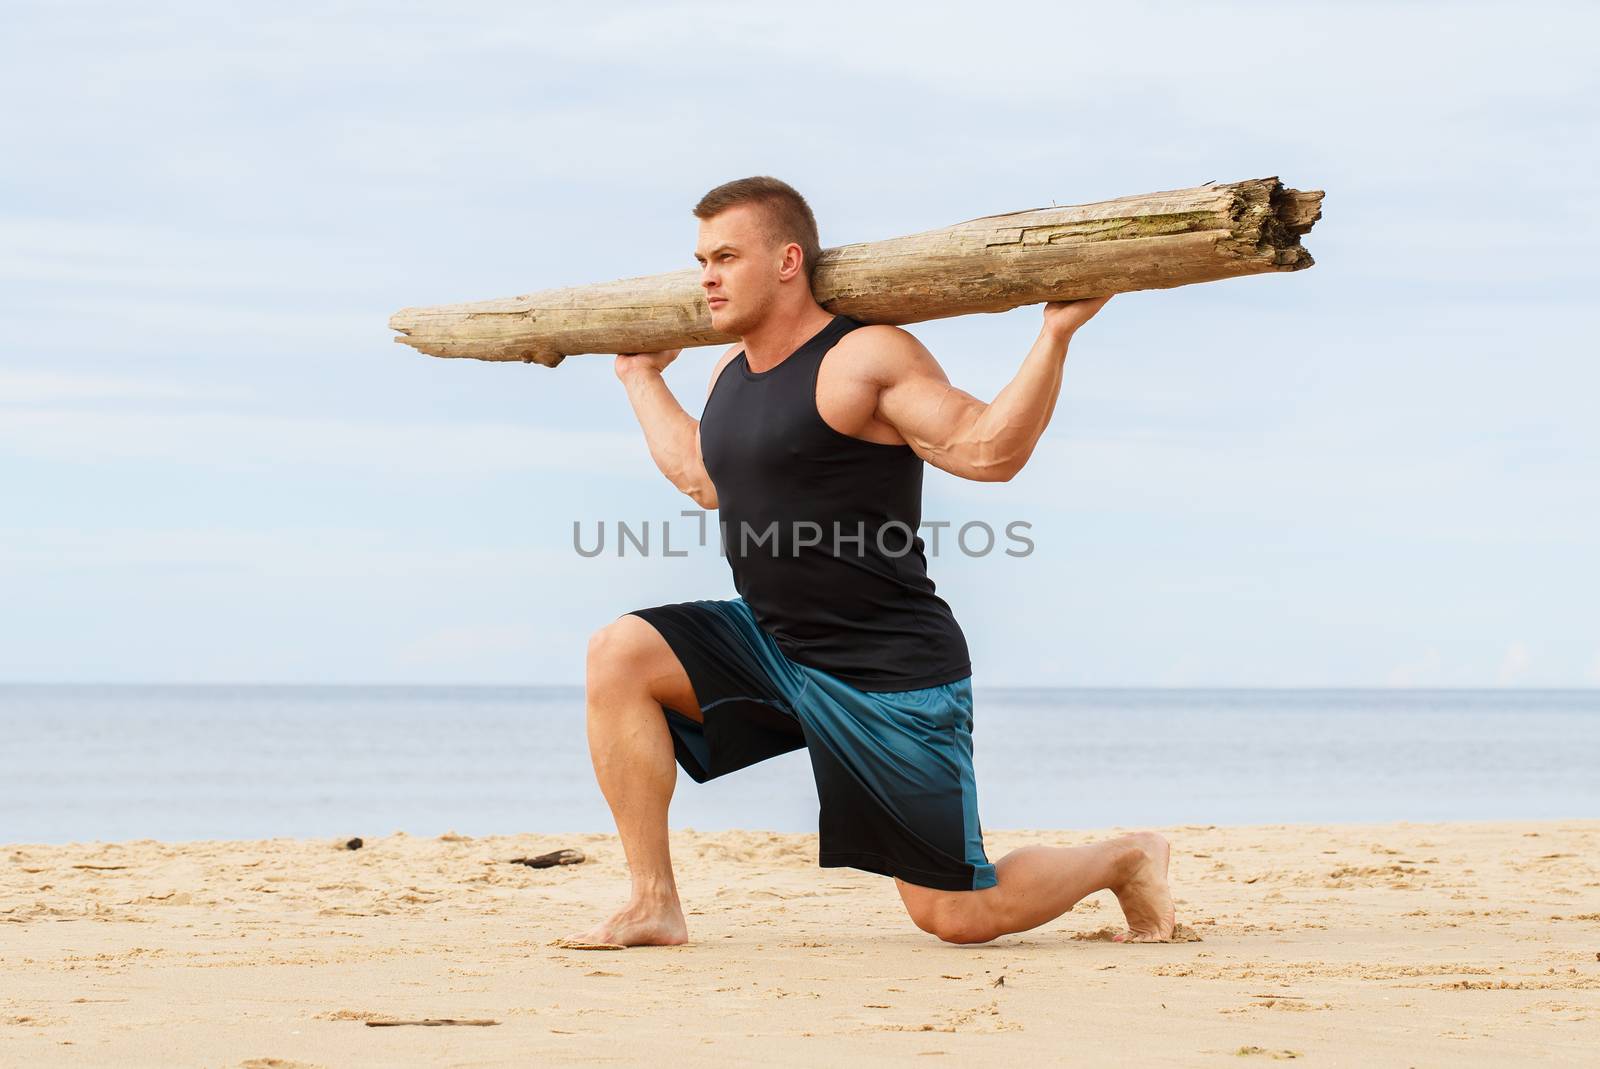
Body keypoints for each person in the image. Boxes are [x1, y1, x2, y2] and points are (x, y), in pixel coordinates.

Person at [571, 176, 1175, 947]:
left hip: (886, 670)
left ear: (788, 260)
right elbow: (701, 476)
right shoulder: (727, 373)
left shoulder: (865, 356)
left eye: (726, 256)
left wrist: (1054, 333)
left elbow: (989, 451)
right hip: (775, 646)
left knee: (956, 914)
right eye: (700, 260)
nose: (707, 277)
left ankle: (1126, 856)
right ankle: (652, 900)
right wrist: (640, 375)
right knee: (619, 651)